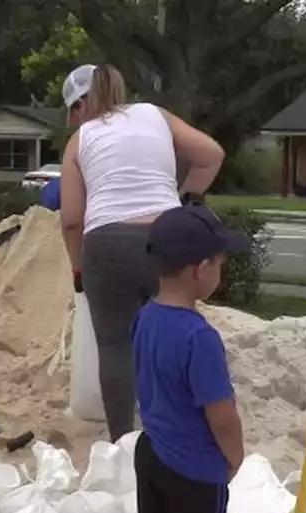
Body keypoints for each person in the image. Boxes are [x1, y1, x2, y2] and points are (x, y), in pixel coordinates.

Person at [59, 62, 225, 443]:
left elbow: (71, 220)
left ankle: (123, 445)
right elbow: (212, 155)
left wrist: (78, 269)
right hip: (164, 239)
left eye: (72, 110)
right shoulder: (156, 115)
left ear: (84, 104)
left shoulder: (80, 140)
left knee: (115, 347)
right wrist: (182, 202)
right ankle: (175, 431)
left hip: (105, 243)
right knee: (173, 333)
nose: (71, 121)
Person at [133, 204, 248, 513]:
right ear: (201, 269)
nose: (221, 271)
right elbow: (221, 413)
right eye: (220, 263)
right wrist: (234, 457)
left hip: (152, 453)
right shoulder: (200, 337)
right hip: (195, 469)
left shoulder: (145, 316)